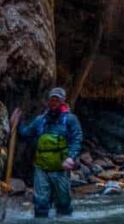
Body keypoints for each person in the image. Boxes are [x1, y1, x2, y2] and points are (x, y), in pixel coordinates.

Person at [10, 87, 82, 219]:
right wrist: (17, 123)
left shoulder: (70, 120)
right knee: (41, 203)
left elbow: (77, 139)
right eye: (52, 99)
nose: (53, 102)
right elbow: (25, 134)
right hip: (41, 168)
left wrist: (71, 157)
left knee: (63, 203)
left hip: (60, 168)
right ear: (48, 101)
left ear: (62, 101)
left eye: (57, 100)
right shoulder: (40, 120)